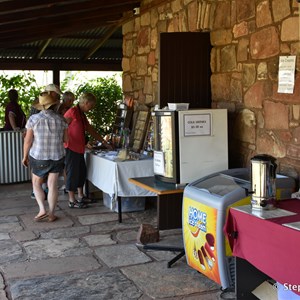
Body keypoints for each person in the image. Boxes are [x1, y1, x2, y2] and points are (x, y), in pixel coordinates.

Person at [22, 93, 68, 222]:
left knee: (36, 183)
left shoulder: (33, 119)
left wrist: (24, 156)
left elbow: (28, 141)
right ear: (54, 105)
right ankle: (52, 214)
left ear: (41, 105)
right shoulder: (61, 119)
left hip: (39, 156)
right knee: (52, 185)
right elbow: (66, 140)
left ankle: (42, 209)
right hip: (57, 156)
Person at [64, 92, 112, 208]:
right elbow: (62, 126)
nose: (91, 108)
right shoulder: (72, 112)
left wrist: (104, 142)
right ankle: (72, 200)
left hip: (80, 148)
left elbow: (90, 129)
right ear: (86, 103)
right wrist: (65, 141)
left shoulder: (81, 114)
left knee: (81, 172)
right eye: (91, 106)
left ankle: (81, 196)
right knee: (72, 173)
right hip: (71, 148)